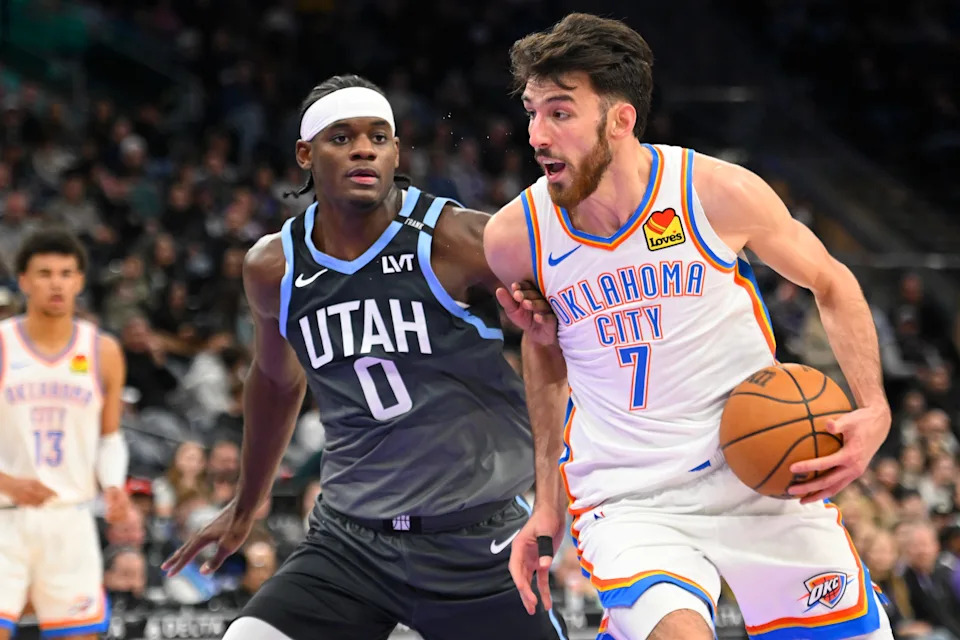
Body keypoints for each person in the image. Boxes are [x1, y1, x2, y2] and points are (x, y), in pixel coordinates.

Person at [484, 13, 895, 640]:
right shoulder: (516, 237)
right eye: (532, 112)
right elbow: (546, 354)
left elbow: (832, 283)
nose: (537, 135)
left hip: (761, 474)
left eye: (560, 113)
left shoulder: (714, 193)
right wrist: (547, 501)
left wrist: (874, 408)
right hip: (630, 497)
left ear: (620, 120)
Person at [162, 74, 566, 640]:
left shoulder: (458, 240)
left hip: (478, 538)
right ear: (305, 154)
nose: (363, 149)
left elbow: (561, 335)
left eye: (378, 137)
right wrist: (247, 503)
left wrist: (557, 492)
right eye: (341, 137)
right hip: (351, 545)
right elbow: (276, 382)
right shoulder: (273, 267)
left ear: (396, 151)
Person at [0, 228, 130, 639]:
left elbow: (110, 437)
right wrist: (7, 483)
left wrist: (113, 485)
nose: (56, 283)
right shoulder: (2, 344)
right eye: (44, 273)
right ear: (23, 281)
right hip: (5, 517)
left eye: (65, 273)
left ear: (80, 281)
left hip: (70, 519)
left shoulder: (103, 351)